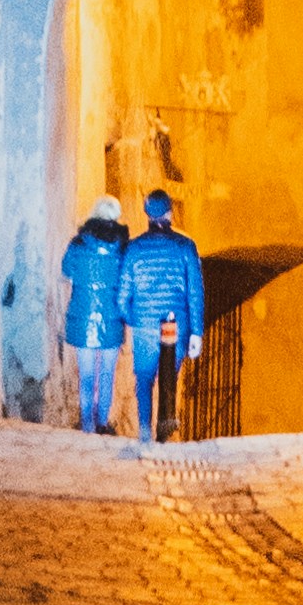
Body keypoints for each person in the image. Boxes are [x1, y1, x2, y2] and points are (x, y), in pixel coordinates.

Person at [116, 181, 209, 442]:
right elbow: (195, 293)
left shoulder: (133, 249)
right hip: (176, 324)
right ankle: (163, 432)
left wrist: (133, 318)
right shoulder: (186, 247)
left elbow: (123, 296)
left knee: (144, 379)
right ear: (169, 213)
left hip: (145, 324)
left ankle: (144, 431)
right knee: (169, 378)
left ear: (147, 214)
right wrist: (196, 333)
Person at [57, 201, 134, 432]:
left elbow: (66, 271)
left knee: (87, 375)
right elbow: (127, 279)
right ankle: (102, 421)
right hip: (112, 317)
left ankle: (87, 424)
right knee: (107, 374)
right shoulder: (123, 248)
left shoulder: (78, 244)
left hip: (83, 316)